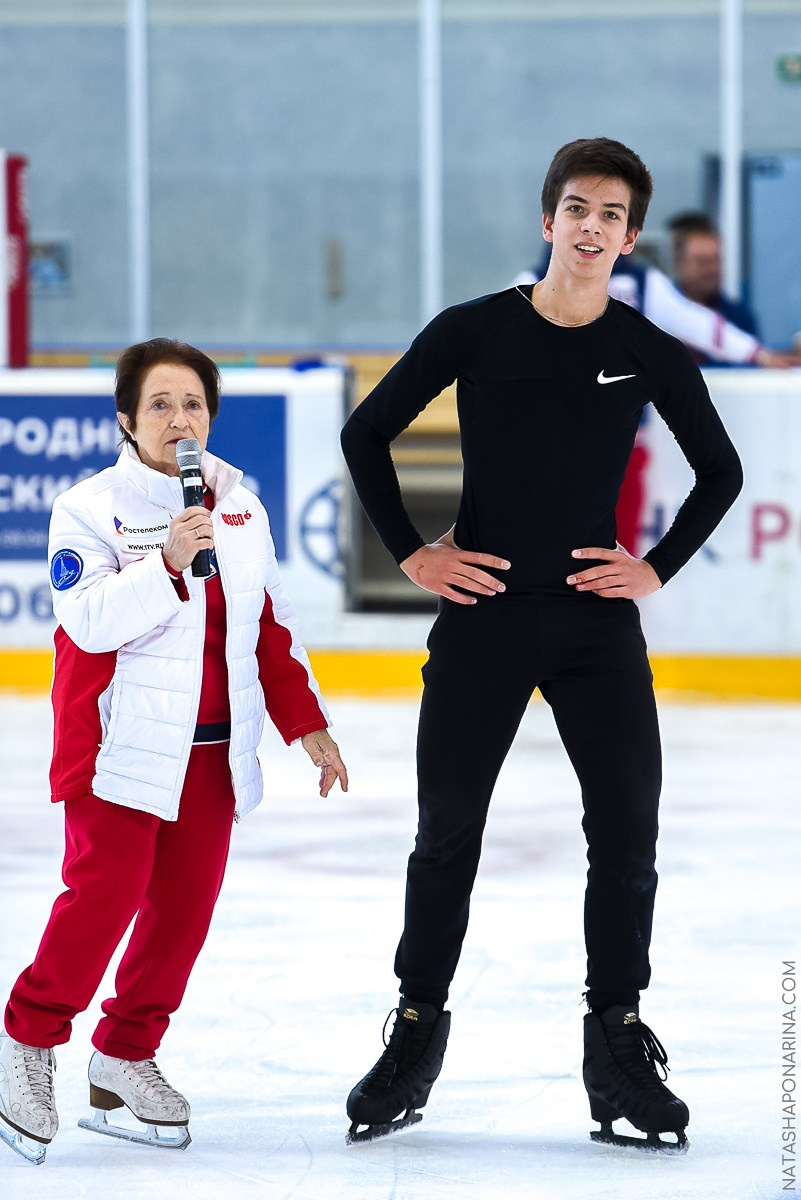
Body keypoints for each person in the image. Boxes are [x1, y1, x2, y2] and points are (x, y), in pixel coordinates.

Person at [340, 138, 743, 1154]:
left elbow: (721, 472)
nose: (591, 227)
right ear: (547, 219)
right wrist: (413, 554)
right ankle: (415, 1031)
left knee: (627, 834)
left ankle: (617, 1041)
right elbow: (365, 433)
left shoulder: (646, 347)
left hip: (595, 629)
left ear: (631, 237)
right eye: (576, 208)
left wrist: (654, 569)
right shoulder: (476, 329)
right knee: (446, 835)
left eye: (611, 215)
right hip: (483, 618)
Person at [0, 338, 347, 1165]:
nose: (178, 418)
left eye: (192, 403)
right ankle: (28, 1040)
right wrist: (165, 561)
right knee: (105, 896)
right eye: (159, 404)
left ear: (211, 416)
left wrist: (306, 722)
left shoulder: (241, 508)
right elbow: (89, 621)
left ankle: (125, 1053)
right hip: (116, 745)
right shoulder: (89, 508)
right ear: (126, 418)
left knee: (183, 914)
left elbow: (267, 625)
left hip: (214, 754)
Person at [667, 210, 760, 361]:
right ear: (679, 263)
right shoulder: (659, 314)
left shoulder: (739, 317)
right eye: (703, 262)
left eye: (716, 260)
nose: (712, 270)